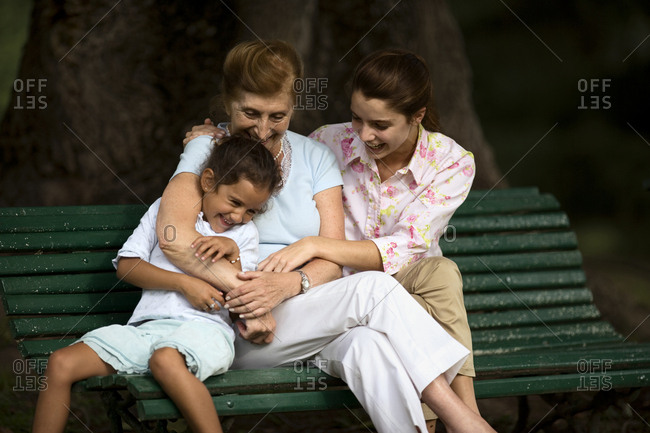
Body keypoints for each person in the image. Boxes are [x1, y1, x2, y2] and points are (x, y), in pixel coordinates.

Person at [160, 40, 495, 432]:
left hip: (310, 310)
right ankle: (464, 420)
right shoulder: (207, 148)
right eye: (250, 113)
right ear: (227, 103)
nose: (263, 129)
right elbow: (172, 236)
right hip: (234, 324)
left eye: (277, 115)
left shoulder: (316, 154)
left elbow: (333, 265)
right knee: (372, 289)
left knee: (370, 347)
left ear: (292, 110)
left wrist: (288, 284)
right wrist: (250, 297)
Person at [257, 49, 478, 431]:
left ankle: (465, 417)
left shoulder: (450, 161)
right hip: (335, 292)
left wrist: (316, 245)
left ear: (417, 116)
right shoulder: (327, 142)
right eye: (357, 118)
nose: (363, 135)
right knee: (396, 308)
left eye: (379, 125)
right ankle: (464, 422)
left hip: (411, 287)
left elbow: (406, 247)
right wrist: (215, 135)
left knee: (441, 272)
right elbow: (266, 159)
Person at [31, 135, 283, 433]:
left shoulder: (243, 235)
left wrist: (234, 256)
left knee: (165, 360)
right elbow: (127, 267)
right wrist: (183, 284)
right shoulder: (165, 211)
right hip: (146, 330)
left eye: (251, 210)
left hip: (205, 332)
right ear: (208, 181)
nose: (239, 216)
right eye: (235, 202)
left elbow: (242, 299)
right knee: (61, 363)